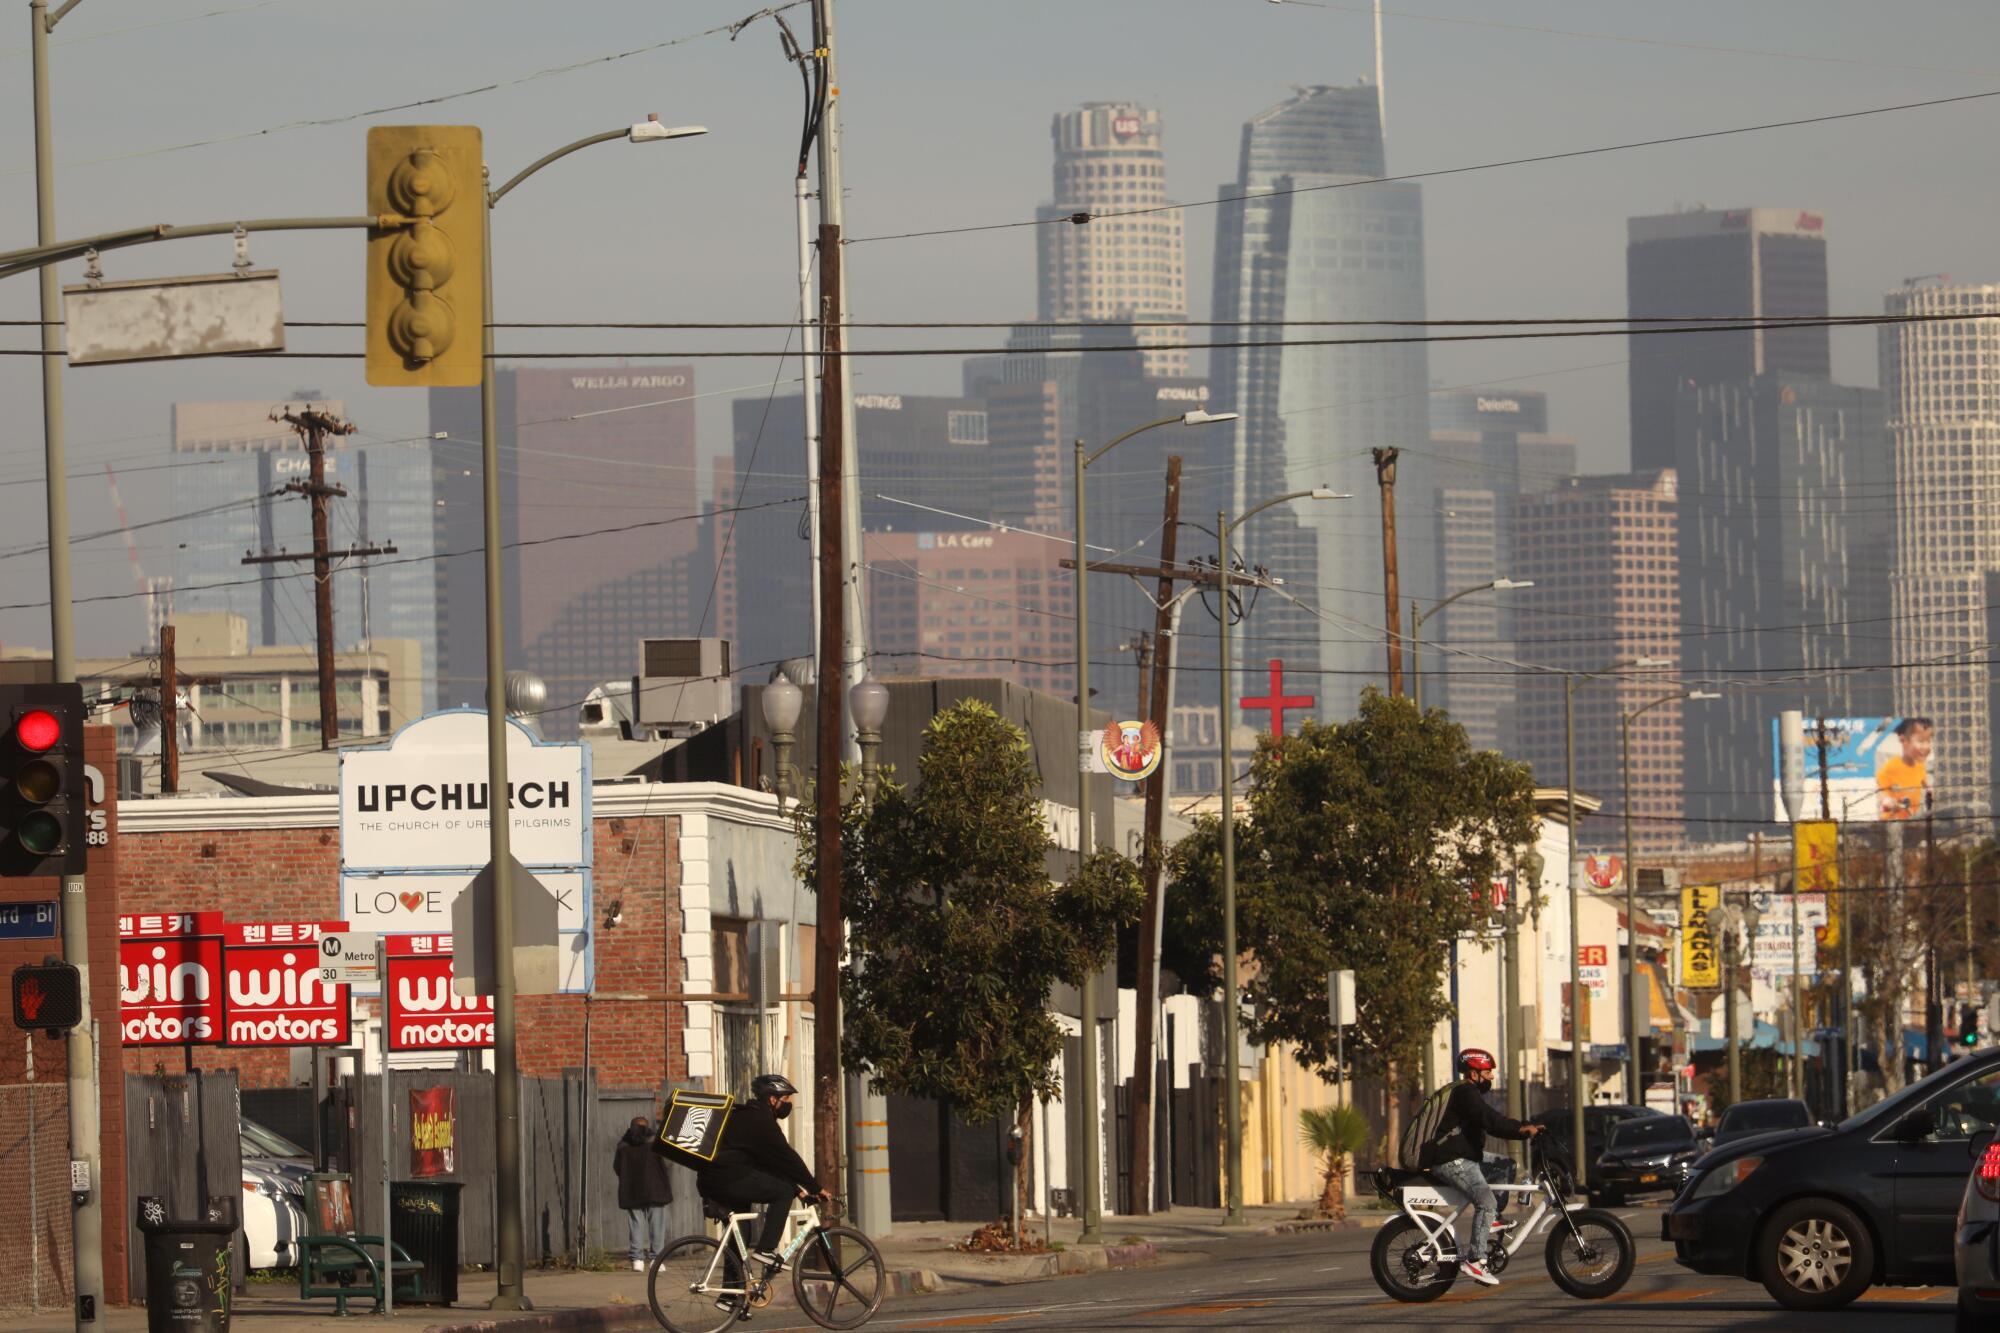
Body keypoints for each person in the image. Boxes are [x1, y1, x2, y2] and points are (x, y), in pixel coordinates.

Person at [1424, 1048, 1542, 1288]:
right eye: (1487, 1072)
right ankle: (1476, 1259)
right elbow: (1489, 1120)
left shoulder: (1468, 1092)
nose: (1491, 1077)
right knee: (1485, 1202)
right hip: (1451, 1160)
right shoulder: (1465, 1092)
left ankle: (1493, 1218)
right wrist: (1520, 1130)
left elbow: (1489, 1118)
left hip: (1463, 1155)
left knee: (1505, 1165)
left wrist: (1523, 1126)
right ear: (1474, 1072)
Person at [696, 1073, 827, 1276]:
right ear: (772, 1099)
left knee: (741, 1232)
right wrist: (815, 1187)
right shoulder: (761, 1120)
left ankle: (731, 1297)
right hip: (728, 1178)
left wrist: (799, 1190)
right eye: (786, 1100)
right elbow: (787, 1158)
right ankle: (766, 1249)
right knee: (781, 1192)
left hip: (716, 1180)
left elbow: (768, 1162)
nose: (788, 1105)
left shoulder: (751, 1115)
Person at [614, 1115, 675, 1270]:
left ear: (631, 1127)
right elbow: (668, 1163)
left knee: (636, 1224)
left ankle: (637, 1260)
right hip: (656, 1189)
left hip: (632, 1190)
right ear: (648, 1127)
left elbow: (617, 1167)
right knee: (657, 1225)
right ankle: (656, 1259)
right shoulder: (656, 1143)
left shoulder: (623, 1145)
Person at [1877, 716, 1934, 821]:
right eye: (1921, 741)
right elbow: (1880, 792)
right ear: (1903, 740)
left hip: (1911, 819)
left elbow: (1927, 786)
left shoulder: (1920, 766)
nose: (1926, 747)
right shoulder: (1890, 768)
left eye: (1929, 741)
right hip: (1892, 822)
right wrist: (1887, 802)